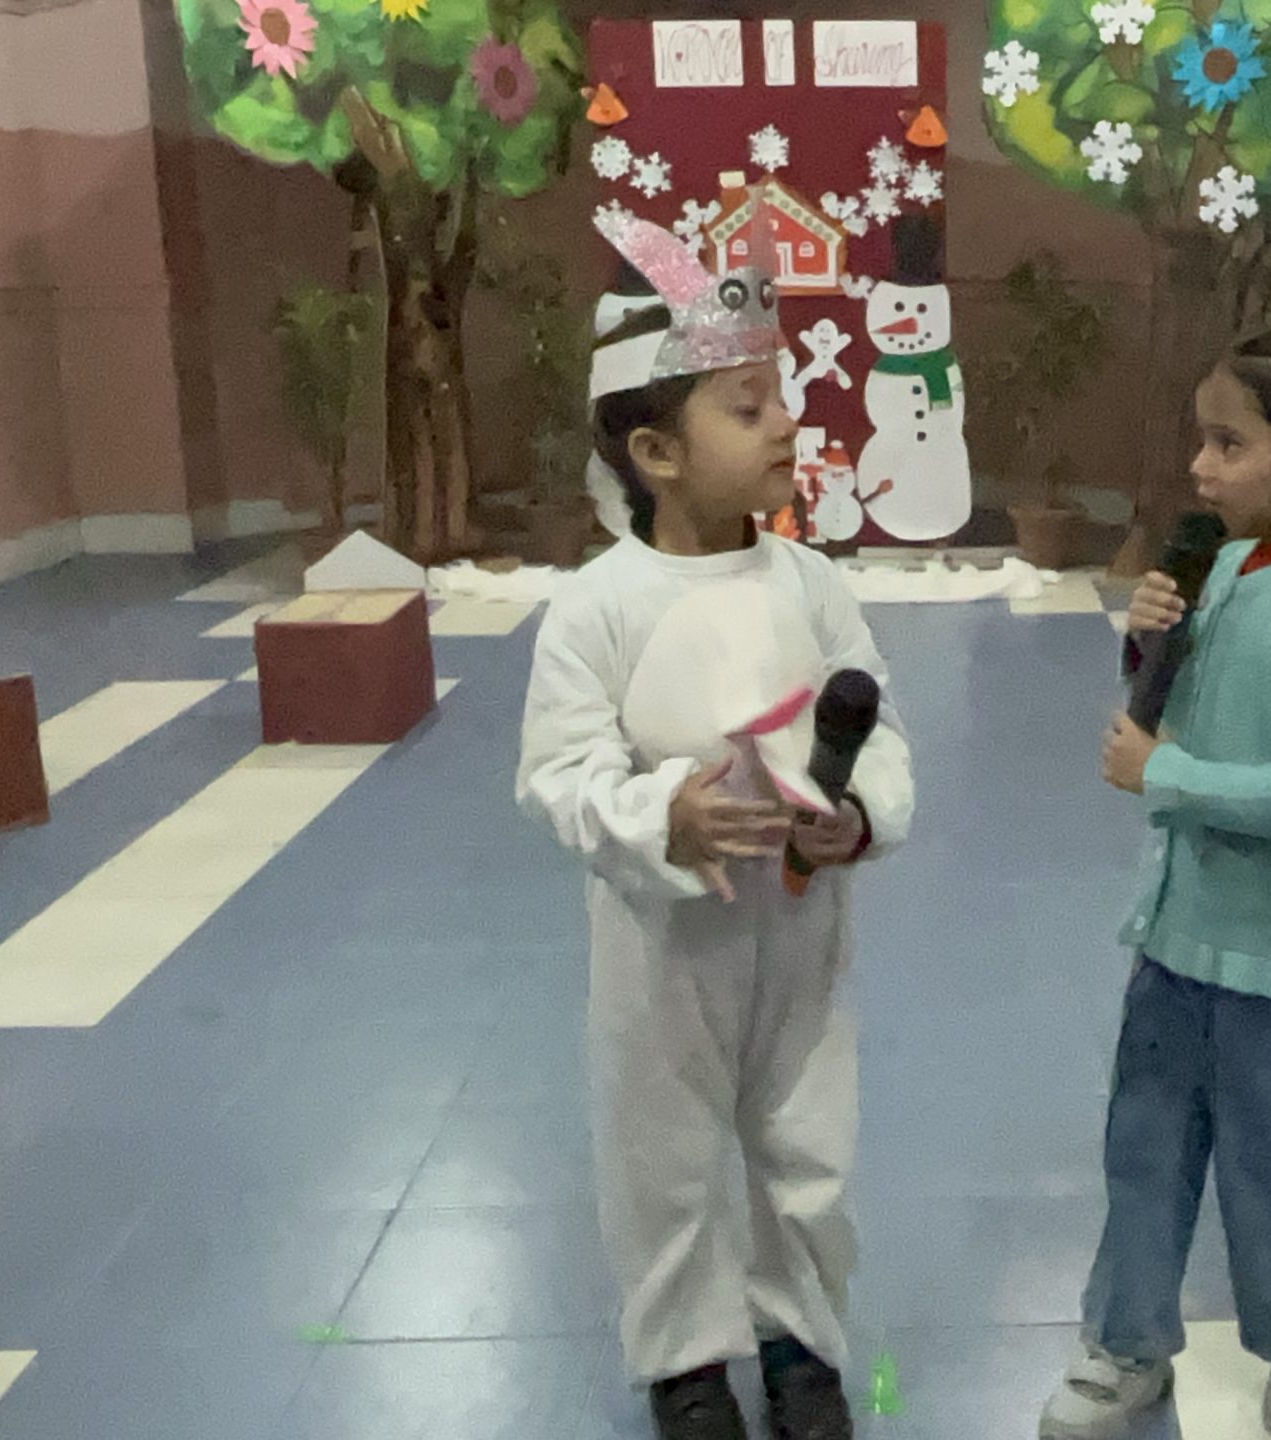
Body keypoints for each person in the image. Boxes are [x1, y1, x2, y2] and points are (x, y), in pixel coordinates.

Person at [517, 200, 914, 1440]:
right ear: (656, 452)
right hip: (664, 944)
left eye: (778, 396)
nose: (786, 422)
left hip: (801, 934)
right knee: (664, 1148)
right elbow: (559, 773)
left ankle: (801, 1341)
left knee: (809, 1137)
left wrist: (856, 816)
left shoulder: (812, 584)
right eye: (747, 409)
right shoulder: (598, 606)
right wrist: (657, 820)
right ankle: (685, 1359)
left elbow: (878, 729)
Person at [1040, 326, 1271, 1440]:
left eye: (1228, 445)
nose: (1199, 469)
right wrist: (1148, 645)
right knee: (1144, 1145)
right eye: (1202, 440)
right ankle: (1126, 1340)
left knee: (1270, 1159)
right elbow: (1190, 706)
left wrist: (1165, 775)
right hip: (1177, 931)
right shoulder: (1232, 564)